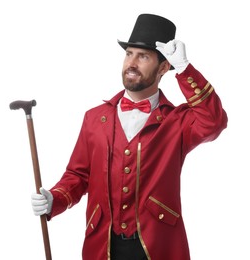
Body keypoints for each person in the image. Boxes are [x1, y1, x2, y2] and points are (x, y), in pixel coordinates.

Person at [31, 13, 228, 260]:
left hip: (158, 246)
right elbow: (79, 176)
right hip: (104, 245)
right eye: (128, 54)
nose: (132, 63)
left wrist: (185, 69)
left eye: (143, 56)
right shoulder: (94, 118)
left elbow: (214, 121)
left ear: (164, 67)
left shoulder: (177, 121)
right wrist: (55, 199)